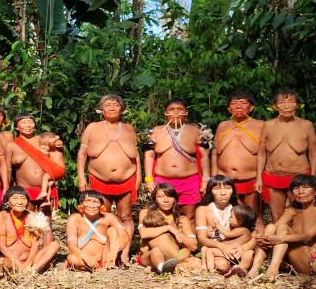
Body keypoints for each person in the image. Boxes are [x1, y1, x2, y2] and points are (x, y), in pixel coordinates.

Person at [76, 95, 139, 257]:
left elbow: (136, 156)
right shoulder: (92, 127)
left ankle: (124, 253)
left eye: (116, 105)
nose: (112, 108)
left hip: (126, 179)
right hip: (99, 178)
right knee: (103, 215)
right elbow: (82, 154)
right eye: (108, 105)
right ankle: (106, 253)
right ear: (101, 110)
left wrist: (139, 178)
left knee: (125, 217)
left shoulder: (128, 128)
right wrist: (81, 177)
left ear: (122, 109)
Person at [257, 89, 316, 222]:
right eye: (282, 103)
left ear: (297, 105)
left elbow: (313, 153)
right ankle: (280, 235)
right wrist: (258, 177)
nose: (286, 106)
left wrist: (313, 177)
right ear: (275, 106)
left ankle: (302, 236)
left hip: (299, 177)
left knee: (301, 215)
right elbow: (261, 153)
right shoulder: (268, 125)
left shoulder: (306, 125)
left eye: (291, 102)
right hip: (273, 176)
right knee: (277, 217)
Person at [143, 99, 210, 220]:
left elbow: (204, 156)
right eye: (171, 109)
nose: (175, 112)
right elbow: (149, 156)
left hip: (189, 181)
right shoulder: (155, 131)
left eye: (180, 109)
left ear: (186, 113)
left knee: (189, 216)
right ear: (165, 113)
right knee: (163, 216)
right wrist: (149, 179)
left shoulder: (196, 131)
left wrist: (205, 180)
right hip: (163, 181)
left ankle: (188, 233)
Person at [260, 175, 316, 277]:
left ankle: (272, 270)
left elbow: (308, 236)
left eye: (306, 187)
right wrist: (263, 237)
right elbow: (274, 227)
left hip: (313, 262)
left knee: (282, 229)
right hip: (294, 260)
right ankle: (255, 268)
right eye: (296, 188)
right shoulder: (293, 210)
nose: (300, 192)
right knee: (271, 227)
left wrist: (280, 238)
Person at [212, 91, 264, 228]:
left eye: (243, 103)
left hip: (251, 177)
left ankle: (258, 239)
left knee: (254, 215)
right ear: (229, 109)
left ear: (251, 107)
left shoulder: (261, 125)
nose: (238, 106)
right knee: (231, 216)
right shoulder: (223, 125)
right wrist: (213, 177)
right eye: (234, 103)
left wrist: (260, 177)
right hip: (225, 179)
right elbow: (215, 152)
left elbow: (264, 153)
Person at [6, 113, 65, 211]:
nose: (28, 125)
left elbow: (56, 150)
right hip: (25, 190)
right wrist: (7, 188)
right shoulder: (11, 145)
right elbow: (7, 169)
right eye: (24, 122)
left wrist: (59, 143)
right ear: (16, 127)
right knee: (27, 218)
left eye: (31, 122)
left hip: (46, 188)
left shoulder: (42, 140)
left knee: (46, 218)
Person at [137, 183, 199, 273]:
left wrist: (177, 231)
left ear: (175, 199)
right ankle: (173, 265)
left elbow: (193, 246)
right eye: (161, 197)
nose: (166, 200)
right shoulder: (146, 212)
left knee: (193, 259)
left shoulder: (182, 218)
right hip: (151, 254)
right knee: (159, 244)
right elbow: (144, 234)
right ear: (155, 199)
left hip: (178, 254)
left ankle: (167, 267)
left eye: (170, 196)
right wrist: (169, 228)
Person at [0, 187, 59, 273]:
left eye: (23, 198)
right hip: (11, 261)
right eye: (15, 198)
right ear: (8, 202)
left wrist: (27, 264)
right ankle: (27, 271)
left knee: (55, 245)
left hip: (31, 261)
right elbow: (1, 247)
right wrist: (20, 265)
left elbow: (35, 244)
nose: (20, 202)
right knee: (1, 262)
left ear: (28, 202)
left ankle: (33, 271)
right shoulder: (2, 216)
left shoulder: (31, 216)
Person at [65, 191, 126, 271]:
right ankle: (96, 269)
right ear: (81, 203)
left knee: (112, 230)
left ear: (101, 205)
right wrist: (84, 256)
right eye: (88, 201)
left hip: (105, 259)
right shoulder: (74, 219)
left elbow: (124, 234)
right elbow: (71, 245)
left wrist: (114, 251)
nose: (92, 205)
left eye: (95, 202)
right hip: (83, 260)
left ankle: (109, 264)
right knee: (72, 258)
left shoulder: (108, 217)